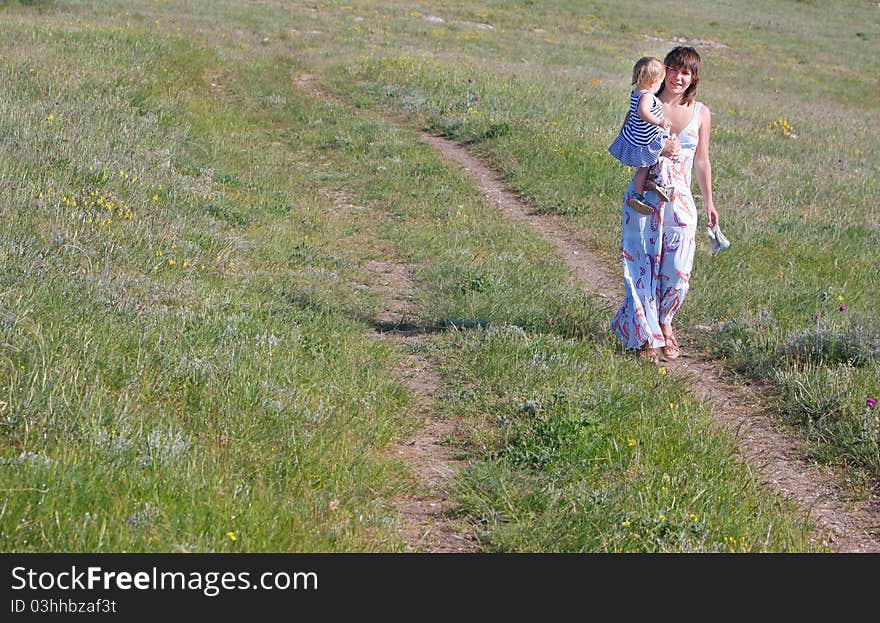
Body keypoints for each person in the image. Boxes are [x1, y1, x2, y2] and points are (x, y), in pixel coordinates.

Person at [610, 46, 719, 363]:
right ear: (663, 70)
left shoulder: (701, 113)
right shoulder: (647, 104)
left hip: (681, 200)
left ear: (693, 78)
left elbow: (702, 160)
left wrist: (709, 202)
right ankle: (651, 338)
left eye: (687, 72)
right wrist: (659, 147)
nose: (679, 77)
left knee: (678, 270)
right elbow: (626, 144)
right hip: (645, 198)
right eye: (674, 69)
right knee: (641, 268)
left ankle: (665, 320)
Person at [608, 56, 674, 215]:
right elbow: (642, 112)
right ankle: (642, 192)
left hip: (639, 136)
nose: (660, 86)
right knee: (647, 164)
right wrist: (658, 121)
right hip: (646, 138)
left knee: (646, 165)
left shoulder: (637, 92)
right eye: (660, 82)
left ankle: (648, 184)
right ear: (653, 82)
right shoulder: (647, 96)